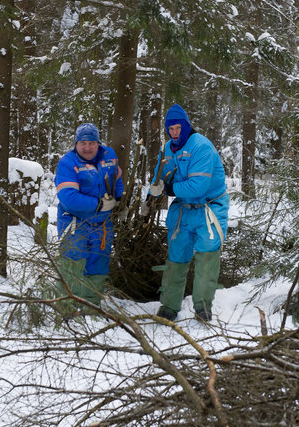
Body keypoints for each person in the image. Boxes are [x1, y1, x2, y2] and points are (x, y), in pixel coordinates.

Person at [142, 104, 229, 322]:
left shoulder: (201, 147)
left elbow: (198, 186)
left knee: (206, 255)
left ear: (186, 126)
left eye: (178, 128)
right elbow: (160, 174)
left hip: (209, 208)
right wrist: (151, 194)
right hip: (184, 208)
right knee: (176, 256)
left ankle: (202, 309)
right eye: (170, 129)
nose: (174, 133)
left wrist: (169, 190)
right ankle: (169, 307)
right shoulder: (168, 148)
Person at [54, 122, 124, 315]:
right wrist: (99, 204)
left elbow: (117, 179)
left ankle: (91, 306)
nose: (87, 147)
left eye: (91, 143)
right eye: (82, 143)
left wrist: (119, 198)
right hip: (75, 222)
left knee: (98, 262)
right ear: (76, 144)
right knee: (73, 263)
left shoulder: (109, 156)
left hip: (102, 224)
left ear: (98, 143)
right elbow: (68, 199)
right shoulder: (68, 163)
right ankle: (69, 307)